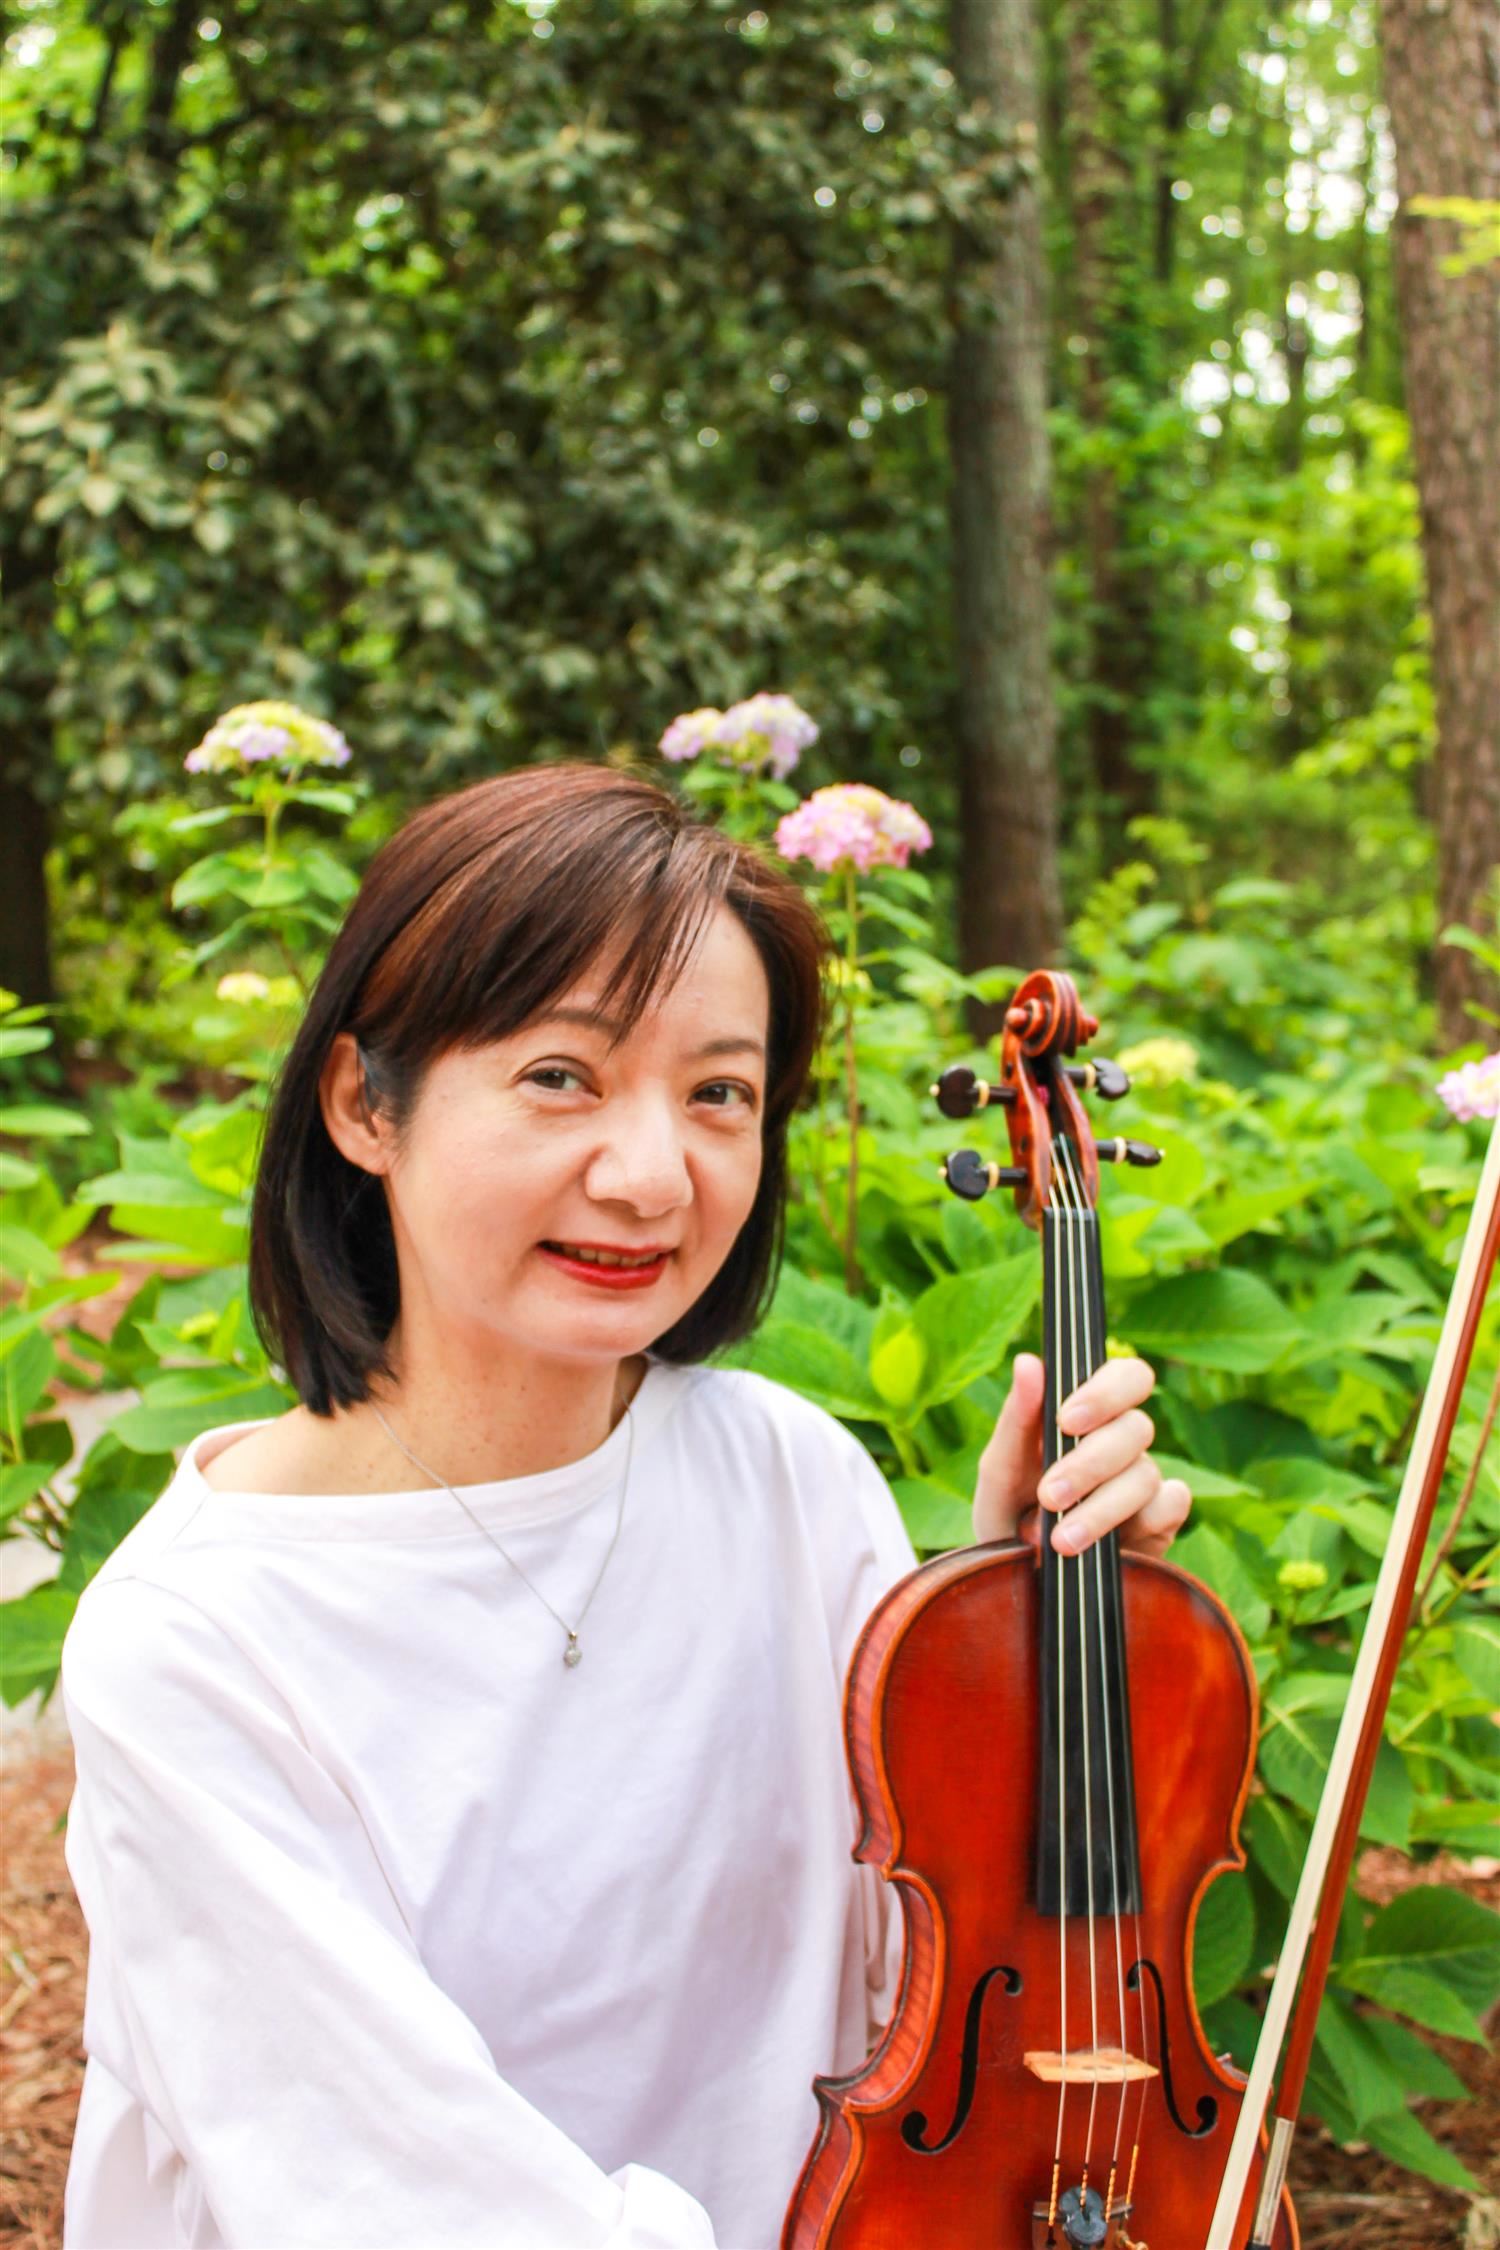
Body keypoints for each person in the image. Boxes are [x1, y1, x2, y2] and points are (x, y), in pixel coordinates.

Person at [60, 762, 1190, 2249]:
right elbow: (401, 2200)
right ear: (362, 1104)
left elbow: (914, 1992)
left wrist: (996, 1630)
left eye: (719, 1092)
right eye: (560, 1076)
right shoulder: (192, 1639)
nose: (654, 1176)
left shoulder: (789, 1472)